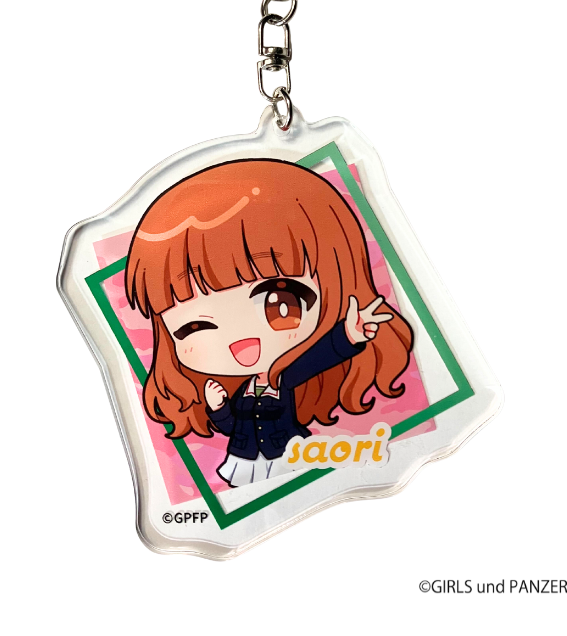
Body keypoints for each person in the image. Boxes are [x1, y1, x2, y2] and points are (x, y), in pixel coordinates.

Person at [125, 158, 413, 486]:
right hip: (244, 460)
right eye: (194, 327)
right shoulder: (243, 391)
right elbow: (230, 426)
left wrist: (349, 334)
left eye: (280, 302)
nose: (242, 343)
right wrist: (218, 407)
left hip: (291, 455)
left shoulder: (285, 377)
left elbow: (320, 357)